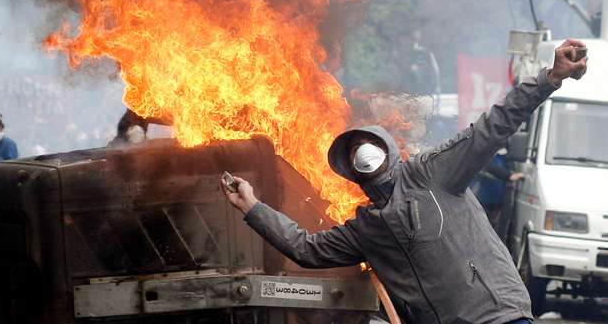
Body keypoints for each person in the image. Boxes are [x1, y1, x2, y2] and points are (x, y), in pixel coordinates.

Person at [222, 39, 587, 324]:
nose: (365, 156)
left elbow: (493, 127)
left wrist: (549, 78)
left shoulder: (432, 173)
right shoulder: (366, 228)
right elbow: (306, 248)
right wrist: (252, 207)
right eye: (357, 152)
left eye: (366, 147)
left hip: (497, 317)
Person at [472, 150, 524, 230]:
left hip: (496, 203)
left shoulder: (503, 157)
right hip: (483, 201)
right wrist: (510, 176)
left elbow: (514, 159)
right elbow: (492, 168)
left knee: (491, 228)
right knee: (480, 227)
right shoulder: (485, 155)